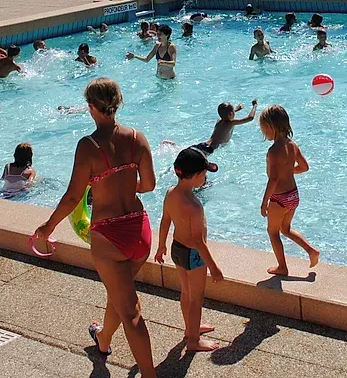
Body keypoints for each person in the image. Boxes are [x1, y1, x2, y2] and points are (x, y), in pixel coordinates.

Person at [33, 78, 157, 376]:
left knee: (131, 312)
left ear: (90, 107)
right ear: (118, 102)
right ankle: (103, 338)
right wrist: (122, 183)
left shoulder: (88, 146)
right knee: (119, 293)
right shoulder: (137, 138)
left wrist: (48, 226)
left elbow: (73, 196)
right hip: (139, 230)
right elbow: (149, 185)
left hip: (110, 235)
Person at [154, 147, 224, 352]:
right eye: (203, 174)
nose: (205, 178)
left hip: (177, 249)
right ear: (195, 176)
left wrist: (161, 246)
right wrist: (214, 267)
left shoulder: (170, 193)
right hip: (194, 256)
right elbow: (199, 241)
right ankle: (194, 341)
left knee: (186, 292)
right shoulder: (194, 206)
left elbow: (165, 221)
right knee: (196, 299)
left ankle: (191, 328)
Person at [259, 105, 320, 275]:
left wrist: (264, 202)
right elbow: (304, 167)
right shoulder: (292, 145)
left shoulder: (273, 151)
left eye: (264, 129)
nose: (263, 133)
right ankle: (311, 251)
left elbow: (273, 179)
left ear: (272, 127)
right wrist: (288, 171)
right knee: (285, 229)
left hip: (279, 199)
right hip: (293, 195)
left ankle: (282, 267)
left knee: (273, 232)